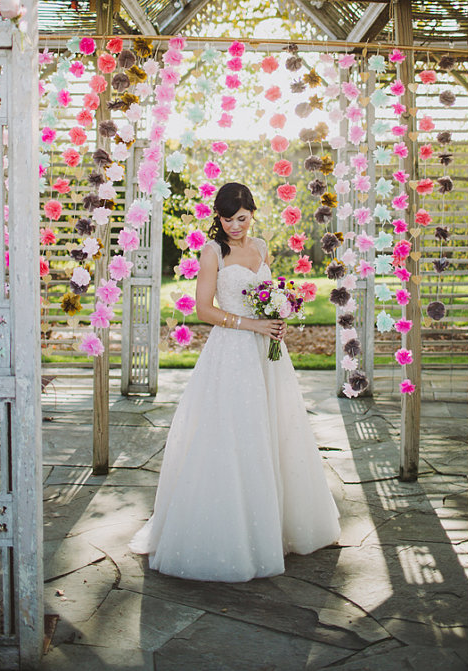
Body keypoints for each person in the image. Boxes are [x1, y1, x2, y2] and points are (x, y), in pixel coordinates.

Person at [129, 182, 340, 581]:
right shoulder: (213, 253)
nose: (235, 227)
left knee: (273, 431)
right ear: (218, 218)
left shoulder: (260, 247)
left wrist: (277, 312)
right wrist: (251, 323)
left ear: (253, 214)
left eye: (241, 218)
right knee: (231, 435)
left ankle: (275, 526)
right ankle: (230, 534)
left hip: (265, 354)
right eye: (227, 220)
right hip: (230, 353)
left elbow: (268, 290)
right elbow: (204, 310)